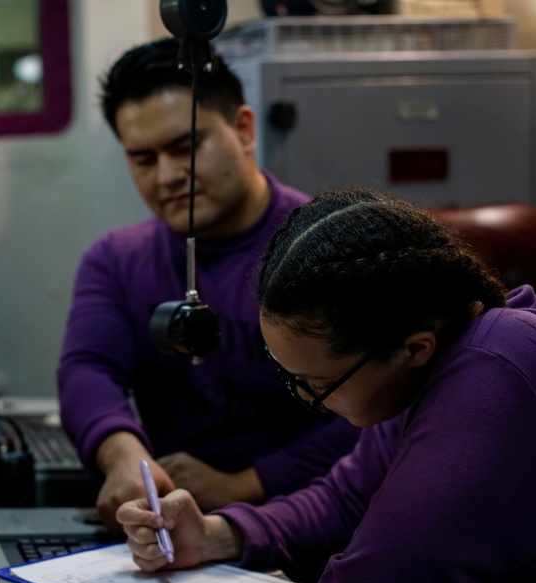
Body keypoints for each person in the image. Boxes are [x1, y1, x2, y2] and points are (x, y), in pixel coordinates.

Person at [117, 187, 536, 583]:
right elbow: (344, 497)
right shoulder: (450, 359)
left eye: (315, 384)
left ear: (413, 347)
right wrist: (218, 536)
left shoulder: (500, 378)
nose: (308, 399)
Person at [57, 38, 360, 529]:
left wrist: (245, 483)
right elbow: (88, 369)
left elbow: (374, 411)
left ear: (243, 130)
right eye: (143, 159)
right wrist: (121, 456)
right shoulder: (114, 261)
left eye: (186, 147)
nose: (168, 175)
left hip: (308, 520)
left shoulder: (326, 248)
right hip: (175, 524)